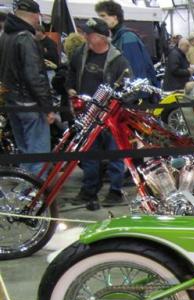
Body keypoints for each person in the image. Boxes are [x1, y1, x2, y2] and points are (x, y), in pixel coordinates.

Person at [66, 18, 131, 210]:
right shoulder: (81, 54)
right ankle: (89, 190)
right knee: (88, 156)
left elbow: (128, 87)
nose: (85, 36)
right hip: (87, 115)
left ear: (101, 37)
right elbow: (70, 73)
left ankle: (115, 191)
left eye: (89, 34)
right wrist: (70, 88)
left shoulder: (119, 60)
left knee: (114, 155)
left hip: (111, 117)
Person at [0, 0, 56, 176]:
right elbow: (35, 76)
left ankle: (26, 193)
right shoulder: (25, 38)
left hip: (12, 103)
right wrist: (47, 107)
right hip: (30, 104)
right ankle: (36, 197)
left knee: (25, 152)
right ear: (35, 15)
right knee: (38, 155)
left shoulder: (5, 36)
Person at [95, 0, 158, 86]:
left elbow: (135, 69)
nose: (100, 19)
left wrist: (131, 96)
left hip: (134, 92)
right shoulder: (116, 37)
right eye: (99, 16)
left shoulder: (127, 37)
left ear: (115, 17)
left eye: (103, 16)